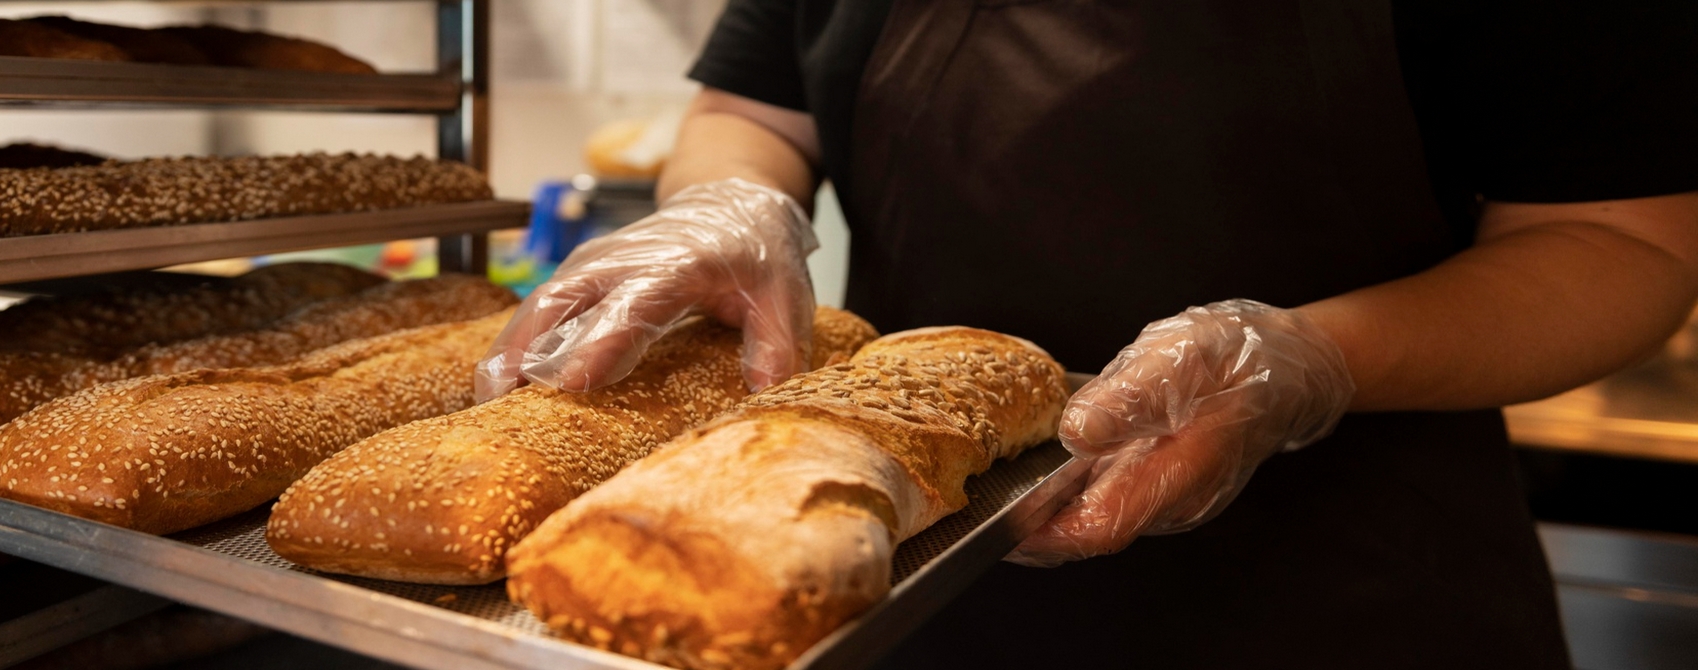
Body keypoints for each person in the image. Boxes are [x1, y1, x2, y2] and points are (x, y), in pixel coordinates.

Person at [475, 0, 1698, 667]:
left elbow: (1626, 246)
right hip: (909, 567)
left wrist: (1306, 360)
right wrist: (727, 200)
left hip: (1346, 588)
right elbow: (751, 106)